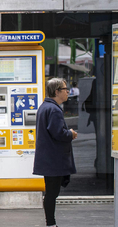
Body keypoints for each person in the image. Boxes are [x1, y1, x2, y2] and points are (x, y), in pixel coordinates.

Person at [33, 78, 77, 227]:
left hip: (48, 158)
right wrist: (70, 133)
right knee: (52, 193)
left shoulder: (45, 107)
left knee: (51, 192)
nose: (67, 92)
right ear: (57, 91)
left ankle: (50, 223)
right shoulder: (53, 109)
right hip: (53, 159)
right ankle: (51, 224)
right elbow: (59, 133)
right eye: (65, 89)